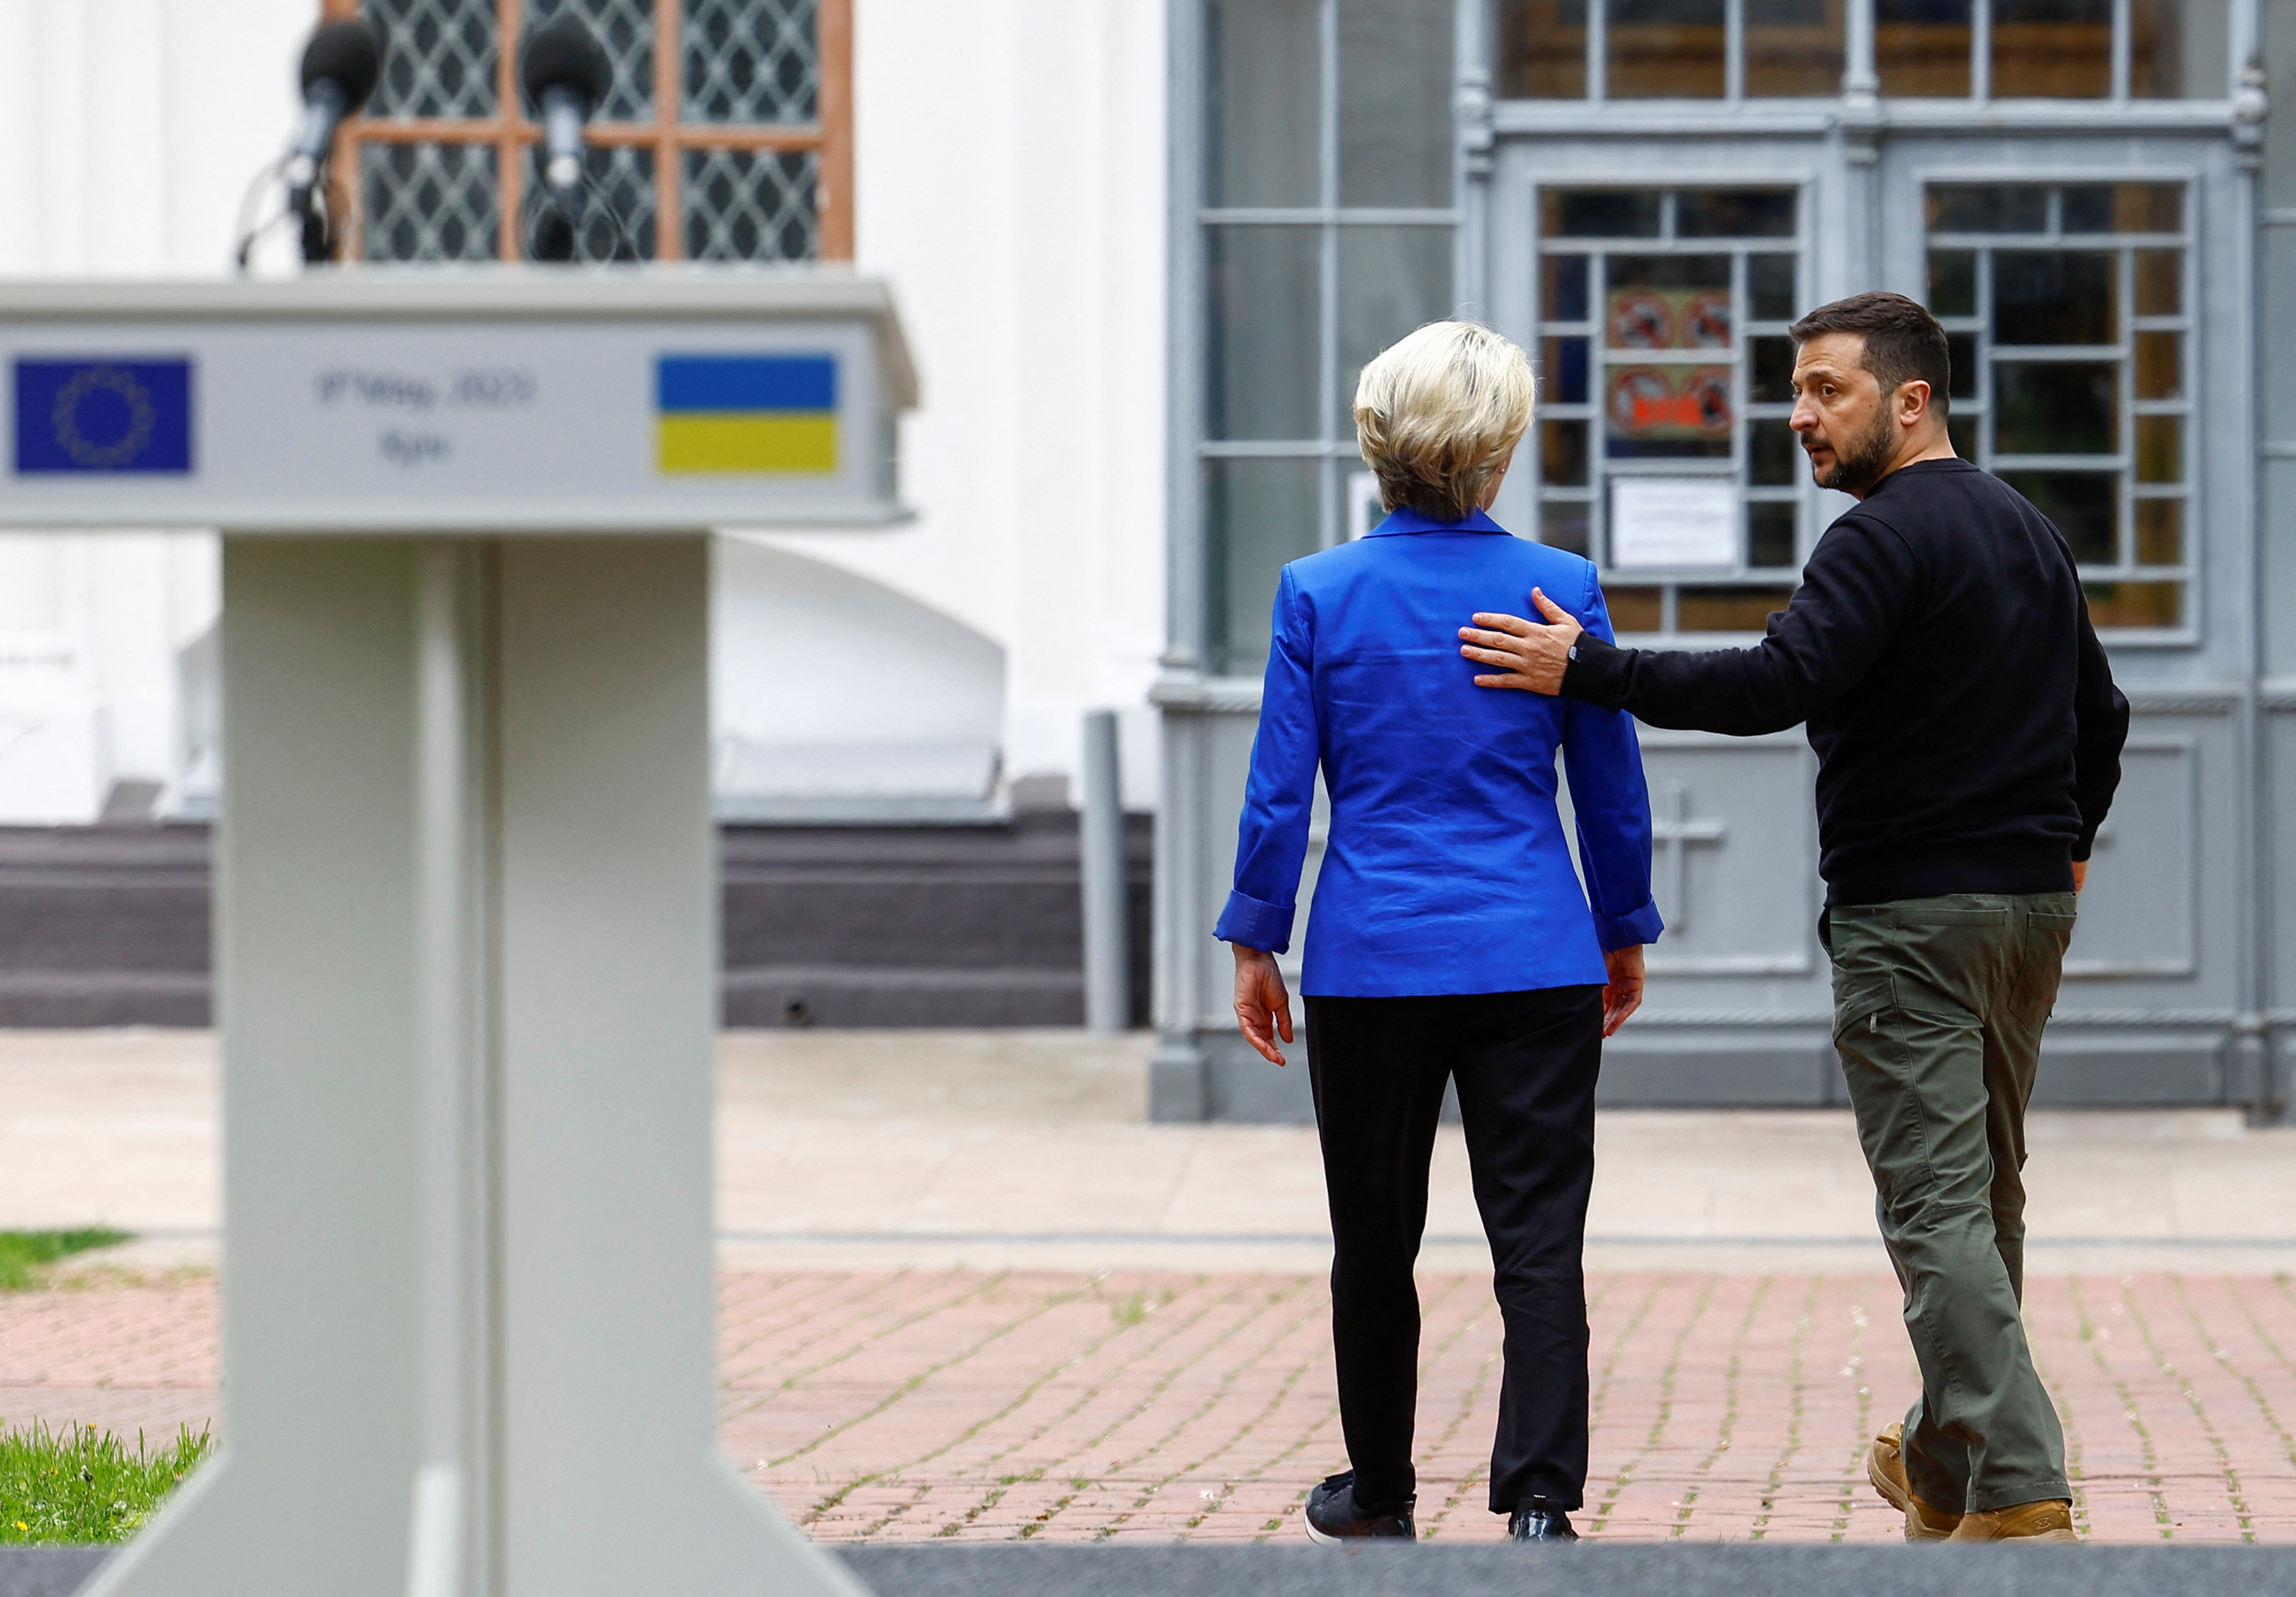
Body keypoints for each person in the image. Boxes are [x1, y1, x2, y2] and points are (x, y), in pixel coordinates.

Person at [1456, 291, 2129, 1544]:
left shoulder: (1877, 539)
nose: (1796, 414)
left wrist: (1590, 670)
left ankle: (2021, 1484)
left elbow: (1777, 681)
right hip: (2023, 912)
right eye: (1794, 388)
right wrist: (2066, 846)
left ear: (1909, 398)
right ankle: (1944, 1459)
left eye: (1825, 389)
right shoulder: (2023, 528)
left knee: (1935, 1205)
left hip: (1911, 918)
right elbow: (2104, 714)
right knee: (1980, 1198)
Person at [1215, 321, 1663, 1547]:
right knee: (1537, 1236)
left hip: (1372, 958)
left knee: (1372, 1238)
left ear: (1376, 447)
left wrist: (1256, 939)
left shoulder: (1319, 591)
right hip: (1532, 951)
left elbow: (1277, 787)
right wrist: (1620, 924)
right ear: (1499, 448)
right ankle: (1535, 1497)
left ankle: (1379, 1489)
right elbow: (1605, 781)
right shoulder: (1555, 588)